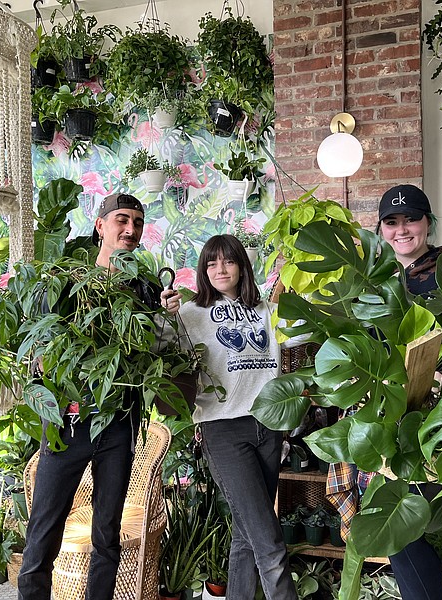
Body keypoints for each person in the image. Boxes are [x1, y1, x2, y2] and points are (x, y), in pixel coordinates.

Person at [18, 193, 178, 600]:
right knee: (43, 534)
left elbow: (160, 350)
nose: (130, 229)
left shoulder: (145, 289)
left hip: (119, 423)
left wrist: (166, 317)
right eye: (121, 220)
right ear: (100, 225)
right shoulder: (68, 282)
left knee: (107, 534)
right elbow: (36, 341)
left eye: (138, 223)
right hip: (69, 421)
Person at [160, 234, 296, 600]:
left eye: (229, 261)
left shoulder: (268, 310)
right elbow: (158, 347)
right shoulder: (190, 314)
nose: (220, 269)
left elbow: (300, 336)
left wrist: (295, 279)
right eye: (211, 263)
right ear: (204, 270)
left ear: (241, 266)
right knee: (270, 544)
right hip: (224, 430)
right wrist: (164, 315)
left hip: (269, 427)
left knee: (246, 537)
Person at [375, 183, 442, 599]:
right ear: (380, 229)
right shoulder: (374, 278)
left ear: (427, 222)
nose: (402, 230)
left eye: (411, 219)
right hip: (391, 418)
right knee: (400, 521)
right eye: (391, 222)